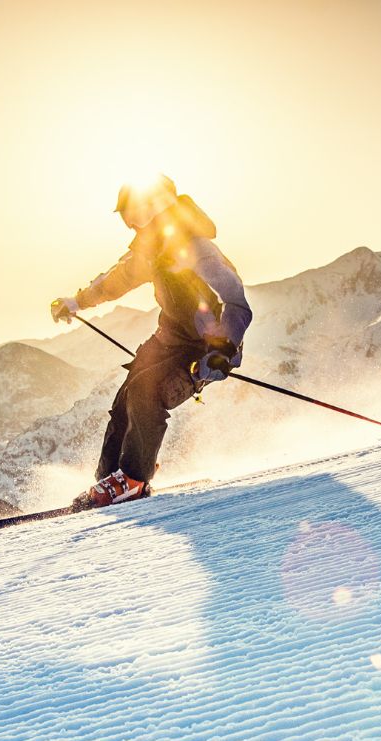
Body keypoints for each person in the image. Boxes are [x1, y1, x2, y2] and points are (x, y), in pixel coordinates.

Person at [51, 174, 252, 509]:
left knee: (148, 391)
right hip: (169, 338)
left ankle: (132, 478)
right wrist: (76, 302)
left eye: (132, 217)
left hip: (207, 348)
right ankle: (110, 478)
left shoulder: (196, 249)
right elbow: (114, 281)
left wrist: (223, 349)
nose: (131, 226)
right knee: (126, 397)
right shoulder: (151, 251)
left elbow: (234, 301)